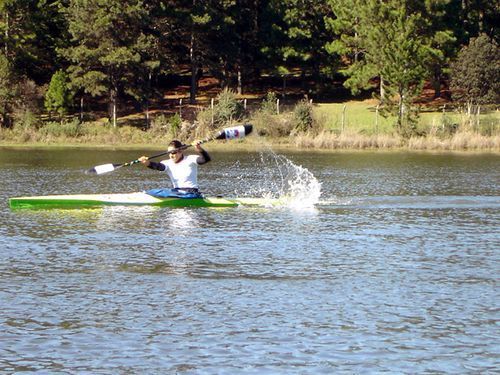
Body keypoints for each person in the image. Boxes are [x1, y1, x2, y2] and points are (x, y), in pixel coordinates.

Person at [138, 140, 211, 198]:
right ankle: (143, 194)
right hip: (176, 192)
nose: (171, 156)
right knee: (154, 191)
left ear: (180, 151)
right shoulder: (167, 163)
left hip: (191, 193)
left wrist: (199, 149)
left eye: (173, 153)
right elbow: (158, 166)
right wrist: (147, 163)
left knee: (162, 192)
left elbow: (206, 159)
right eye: (169, 153)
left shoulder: (190, 159)